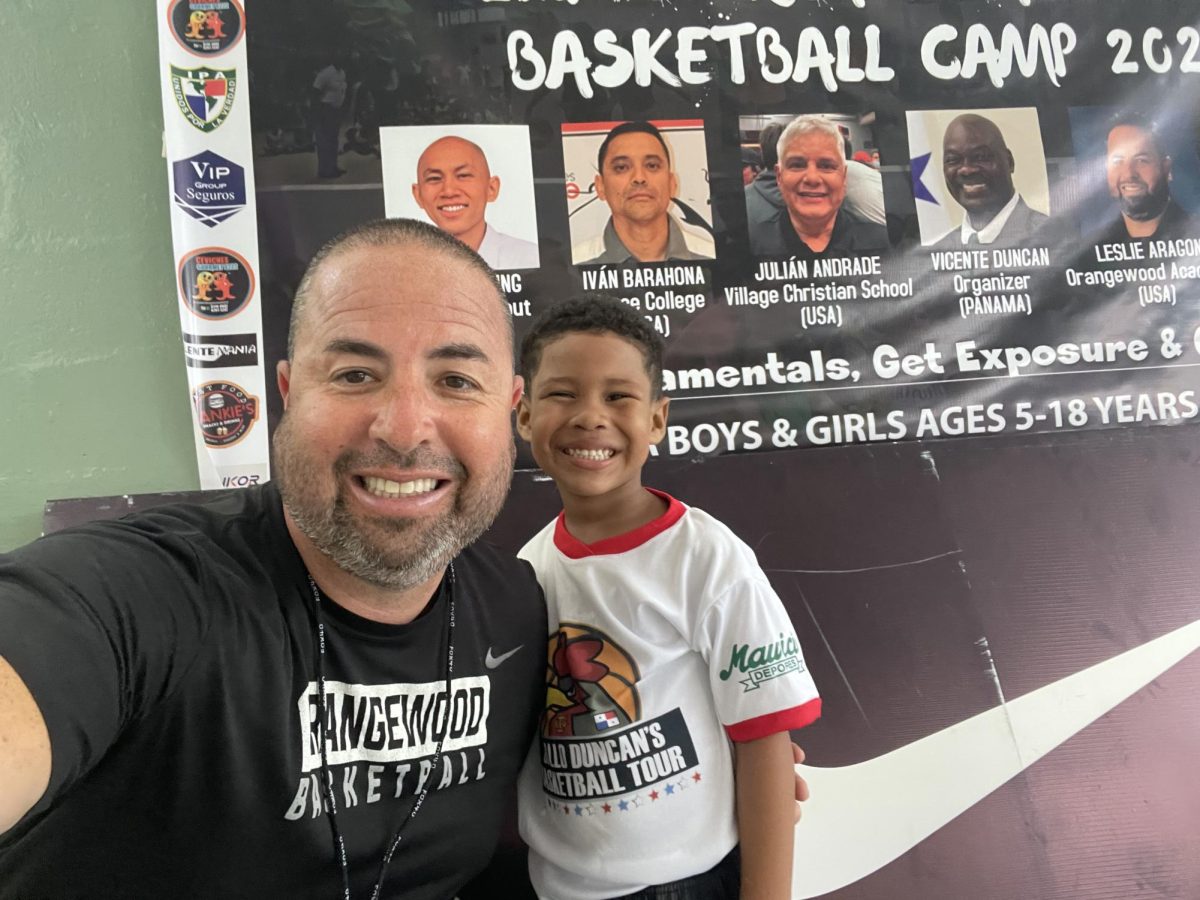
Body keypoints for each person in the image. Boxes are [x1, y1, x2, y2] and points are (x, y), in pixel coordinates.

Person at [0, 219, 547, 898]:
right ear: (289, 393)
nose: (405, 428)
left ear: (512, 411)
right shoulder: (149, 594)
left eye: (457, 380)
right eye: (354, 373)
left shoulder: (521, 607)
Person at [514, 296, 822, 900]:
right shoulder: (528, 570)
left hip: (692, 883)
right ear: (523, 415)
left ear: (658, 419)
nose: (589, 417)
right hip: (559, 888)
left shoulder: (707, 558)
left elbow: (765, 740)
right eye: (561, 394)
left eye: (618, 396)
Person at [573, 121, 716, 265]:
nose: (639, 178)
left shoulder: (714, 258)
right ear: (600, 186)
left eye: (652, 165)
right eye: (622, 167)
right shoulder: (572, 267)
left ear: (672, 183)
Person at [752, 115, 887, 259]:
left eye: (826, 166)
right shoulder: (752, 243)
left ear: (843, 176)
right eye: (797, 165)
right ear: (779, 176)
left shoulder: (883, 243)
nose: (812, 178)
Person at [411, 135, 540, 271]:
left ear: (491, 189)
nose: (448, 191)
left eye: (463, 175)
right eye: (434, 178)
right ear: (418, 195)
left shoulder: (529, 258)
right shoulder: (406, 267)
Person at [934, 113, 1049, 246]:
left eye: (981, 157)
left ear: (1009, 162)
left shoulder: (1055, 239)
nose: (966, 170)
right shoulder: (935, 255)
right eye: (953, 160)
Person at [1098, 115, 1195, 243]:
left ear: (1166, 169)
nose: (1129, 174)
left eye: (1141, 160)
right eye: (1117, 161)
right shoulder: (1089, 249)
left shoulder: (1195, 233)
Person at [312, 55, 348, 178]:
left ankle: (332, 167)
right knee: (325, 140)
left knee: (333, 139)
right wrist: (318, 111)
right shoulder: (326, 73)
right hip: (325, 108)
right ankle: (324, 170)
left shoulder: (341, 73)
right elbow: (316, 90)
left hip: (336, 109)